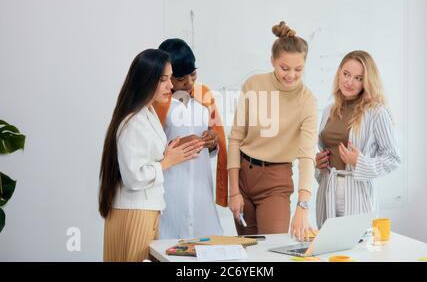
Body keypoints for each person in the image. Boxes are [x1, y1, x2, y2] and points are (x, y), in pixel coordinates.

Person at [99, 49, 204, 261]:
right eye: (163, 79)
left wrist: (167, 152)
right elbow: (134, 177)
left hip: (145, 209)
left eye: (170, 78)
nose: (171, 85)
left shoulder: (147, 113)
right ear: (146, 80)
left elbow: (143, 157)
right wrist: (167, 162)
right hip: (135, 212)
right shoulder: (133, 121)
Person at [227, 21, 318, 241]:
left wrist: (303, 207)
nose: (291, 75)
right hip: (243, 177)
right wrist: (234, 191)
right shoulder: (254, 85)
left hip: (276, 181)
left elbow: (307, 156)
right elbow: (235, 139)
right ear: (273, 61)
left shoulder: (307, 101)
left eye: (299, 69)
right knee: (247, 250)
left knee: (271, 251)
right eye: (284, 68)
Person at [314, 50, 401, 228]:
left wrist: (359, 162)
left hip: (357, 194)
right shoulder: (328, 111)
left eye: (358, 78)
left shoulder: (376, 112)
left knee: (357, 250)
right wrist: (319, 163)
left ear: (367, 82)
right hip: (327, 190)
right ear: (339, 73)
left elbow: (393, 158)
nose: (349, 82)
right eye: (346, 74)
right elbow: (325, 149)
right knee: (326, 249)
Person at [154, 38, 228, 239]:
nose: (189, 82)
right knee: (167, 245)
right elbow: (149, 148)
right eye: (180, 78)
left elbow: (217, 139)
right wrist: (179, 144)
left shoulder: (204, 96)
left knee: (206, 244)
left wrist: (213, 142)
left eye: (193, 74)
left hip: (201, 186)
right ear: (166, 76)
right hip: (170, 187)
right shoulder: (157, 102)